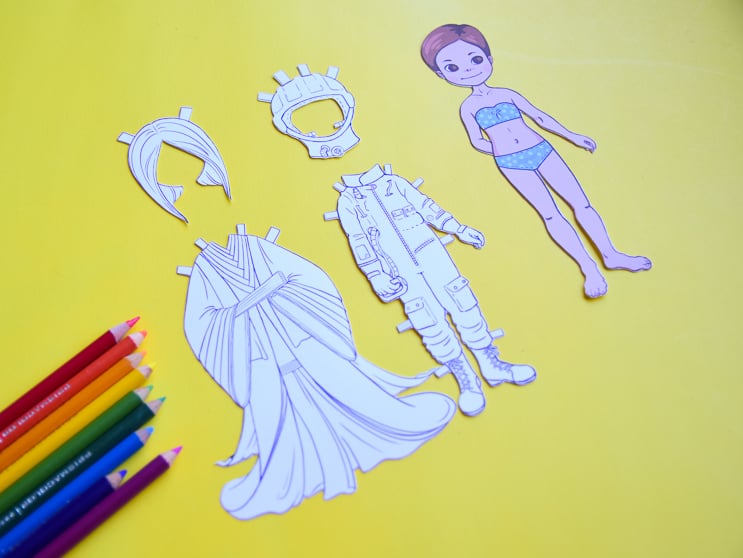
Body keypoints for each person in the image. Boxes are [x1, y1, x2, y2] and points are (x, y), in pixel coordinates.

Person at [181, 226, 456, 520]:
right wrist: (237, 311)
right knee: (286, 422)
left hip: (304, 338)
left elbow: (309, 278)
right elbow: (202, 323)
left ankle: (384, 428)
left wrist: (277, 294)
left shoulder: (256, 248)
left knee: (347, 391)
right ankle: (300, 473)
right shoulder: (205, 271)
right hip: (262, 360)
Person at [420, 24, 651, 298]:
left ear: (489, 58)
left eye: (476, 59)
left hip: (542, 150)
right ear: (441, 74)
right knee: (550, 214)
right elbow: (476, 140)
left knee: (581, 204)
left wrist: (572, 136)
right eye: (452, 67)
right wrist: (500, 151)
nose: (468, 69)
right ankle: (588, 268)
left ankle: (611, 254)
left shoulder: (506, 94)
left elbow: (539, 117)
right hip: (511, 163)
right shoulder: (468, 107)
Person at [334, 164, 536, 417]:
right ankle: (466, 381)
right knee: (428, 323)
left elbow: (427, 207)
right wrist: (377, 277)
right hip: (400, 272)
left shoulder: (393, 183)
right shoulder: (349, 202)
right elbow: (359, 242)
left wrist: (459, 229)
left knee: (464, 304)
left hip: (432, 255)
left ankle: (492, 364)